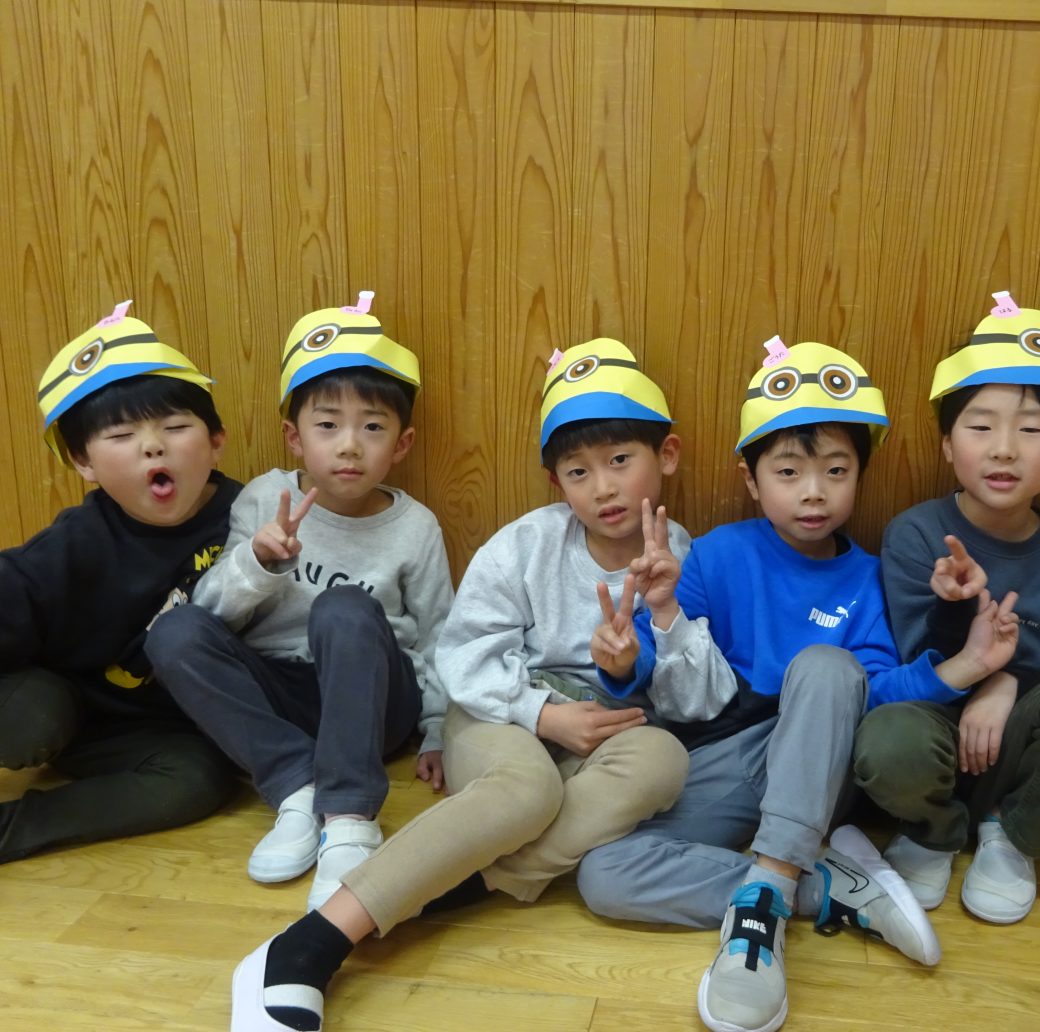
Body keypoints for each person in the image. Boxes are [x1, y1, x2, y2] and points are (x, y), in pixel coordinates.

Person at [226, 337, 692, 1032]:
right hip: (500, 709)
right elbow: (463, 655)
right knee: (528, 792)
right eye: (578, 471)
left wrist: (662, 620)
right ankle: (307, 944)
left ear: (667, 456)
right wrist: (541, 713)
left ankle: (440, 884)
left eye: (621, 461)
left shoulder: (686, 556)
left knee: (665, 760)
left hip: (605, 726)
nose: (603, 487)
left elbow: (693, 701)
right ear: (557, 482)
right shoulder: (525, 545)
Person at [578, 336, 1019, 1032]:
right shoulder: (718, 553)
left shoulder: (864, 577)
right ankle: (826, 890)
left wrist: (966, 664)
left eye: (836, 471)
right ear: (752, 480)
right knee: (601, 874)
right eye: (788, 472)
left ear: (859, 476)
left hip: (817, 767)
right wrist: (622, 659)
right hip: (727, 763)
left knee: (825, 665)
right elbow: (664, 676)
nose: (814, 491)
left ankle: (762, 911)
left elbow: (874, 694)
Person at [146, 292, 451, 913]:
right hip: (279, 696)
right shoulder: (265, 499)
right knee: (172, 632)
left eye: (373, 427)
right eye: (327, 425)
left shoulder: (415, 526)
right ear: (294, 437)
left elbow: (440, 633)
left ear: (402, 444)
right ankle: (295, 784)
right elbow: (212, 616)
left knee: (342, 607)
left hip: (373, 702)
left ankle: (349, 816)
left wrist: (442, 730)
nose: (349, 446)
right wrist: (257, 561)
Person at [853, 292, 1040, 929]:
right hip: (938, 734)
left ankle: (1012, 832)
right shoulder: (916, 532)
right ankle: (933, 831)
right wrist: (960, 623)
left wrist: (1007, 680)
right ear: (946, 443)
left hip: (1023, 752)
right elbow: (914, 666)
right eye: (980, 427)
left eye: (1032, 429)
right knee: (886, 739)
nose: (1004, 449)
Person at [0, 300, 239, 862]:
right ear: (83, 462)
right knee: (32, 715)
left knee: (199, 780)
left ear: (216, 440)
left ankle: (13, 830)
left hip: (151, 733)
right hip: (55, 697)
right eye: (122, 434)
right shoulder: (75, 542)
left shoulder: (252, 521)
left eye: (175, 427)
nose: (153, 445)